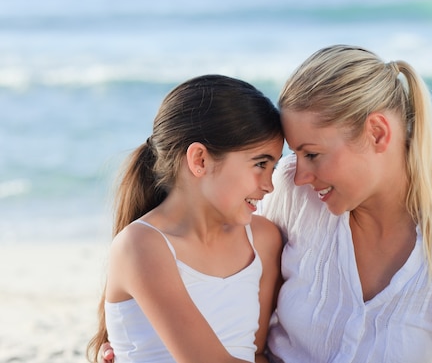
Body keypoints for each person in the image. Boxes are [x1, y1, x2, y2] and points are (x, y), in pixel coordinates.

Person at [99, 45, 432, 363]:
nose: (295, 173)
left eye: (312, 153)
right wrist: (122, 337)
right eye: (290, 155)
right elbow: (227, 303)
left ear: (378, 133)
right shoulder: (291, 192)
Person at [87, 74, 284, 363]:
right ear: (199, 160)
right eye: (260, 164)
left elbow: (256, 353)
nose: (269, 185)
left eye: (274, 166)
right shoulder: (142, 246)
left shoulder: (264, 241)